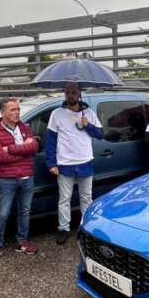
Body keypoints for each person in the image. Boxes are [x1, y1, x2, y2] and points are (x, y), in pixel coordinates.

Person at [46, 82, 103, 244]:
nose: (70, 95)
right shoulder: (56, 114)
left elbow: (100, 134)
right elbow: (50, 140)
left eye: (73, 92)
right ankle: (63, 228)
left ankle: (86, 227)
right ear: (65, 94)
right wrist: (51, 163)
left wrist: (88, 125)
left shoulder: (89, 113)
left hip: (85, 161)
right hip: (65, 164)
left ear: (79, 93)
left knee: (86, 197)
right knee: (64, 198)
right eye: (67, 92)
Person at [0, 98, 39, 262]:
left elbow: (34, 147)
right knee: (2, 214)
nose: (17, 112)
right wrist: (24, 153)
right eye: (12, 110)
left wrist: (10, 149)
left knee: (25, 212)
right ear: (2, 113)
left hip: (27, 178)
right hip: (7, 180)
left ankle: (22, 242)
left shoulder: (25, 128)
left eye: (18, 109)